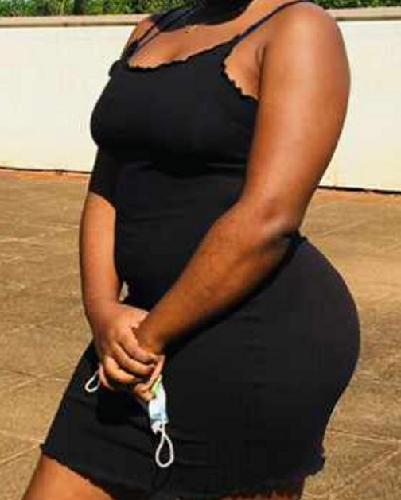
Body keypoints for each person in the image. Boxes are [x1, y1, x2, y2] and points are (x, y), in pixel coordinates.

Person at [23, 0, 360, 498]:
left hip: (251, 341)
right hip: (135, 330)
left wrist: (149, 338)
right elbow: (107, 183)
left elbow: (269, 218)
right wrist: (102, 311)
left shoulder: (298, 28)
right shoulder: (151, 29)